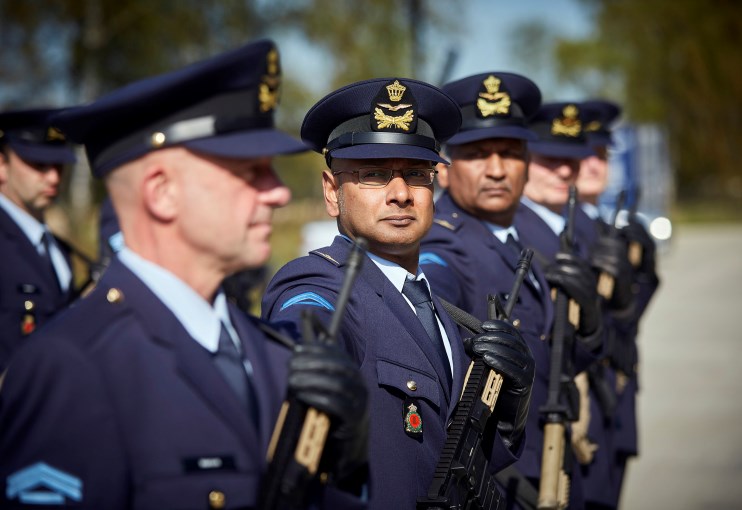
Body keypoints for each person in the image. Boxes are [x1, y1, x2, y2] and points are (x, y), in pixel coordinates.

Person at [0, 40, 368, 509]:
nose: (277, 192)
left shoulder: (268, 352)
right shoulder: (73, 367)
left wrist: (349, 465)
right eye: (250, 170)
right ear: (161, 193)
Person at [261, 77, 536, 509]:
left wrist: (505, 417)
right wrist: (299, 351)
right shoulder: (320, 283)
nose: (401, 194)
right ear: (333, 192)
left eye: (415, 174)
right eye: (373, 175)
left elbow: (448, 455)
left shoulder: (436, 311)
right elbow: (304, 321)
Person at [418, 74, 601, 508]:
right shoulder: (442, 244)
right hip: (495, 481)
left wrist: (590, 328)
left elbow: (547, 352)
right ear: (443, 167)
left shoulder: (515, 240)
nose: (497, 169)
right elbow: (430, 291)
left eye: (510, 153)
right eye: (478, 154)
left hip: (544, 468)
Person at [515, 101, 613, 508]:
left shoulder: (580, 224)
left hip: (592, 406)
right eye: (548, 159)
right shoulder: (517, 231)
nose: (563, 171)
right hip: (540, 436)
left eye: (571, 160)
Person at [578, 100, 660, 508]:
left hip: (617, 400)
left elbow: (628, 322)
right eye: (582, 153)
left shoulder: (607, 228)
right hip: (584, 414)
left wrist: (644, 274)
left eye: (601, 154)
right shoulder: (565, 234)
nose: (594, 164)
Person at [0, 108, 79, 370]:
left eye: (58, 165)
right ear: (2, 165)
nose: (54, 177)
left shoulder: (57, 248)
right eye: (38, 165)